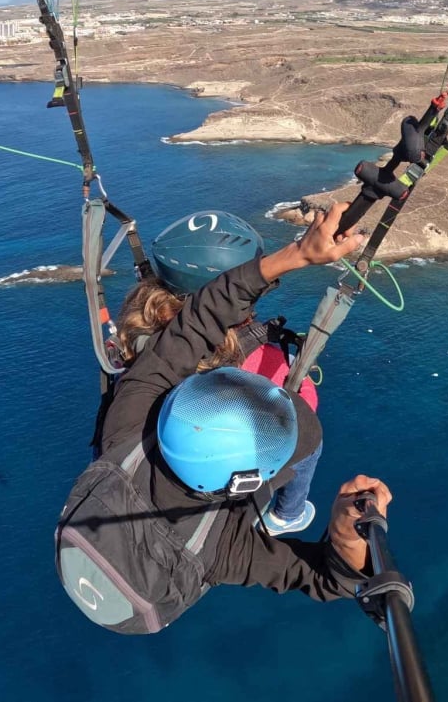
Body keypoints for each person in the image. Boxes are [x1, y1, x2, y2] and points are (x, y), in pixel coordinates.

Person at [56, 203, 393, 634]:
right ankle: (288, 513)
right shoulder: (131, 425)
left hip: (118, 562)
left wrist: (298, 254)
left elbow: (195, 322)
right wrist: (347, 535)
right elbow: (330, 581)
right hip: (127, 557)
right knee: (308, 433)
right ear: (254, 479)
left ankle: (289, 511)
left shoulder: (129, 428)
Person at [112, 210, 325, 535]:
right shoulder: (257, 356)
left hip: (151, 452)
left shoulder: (142, 335)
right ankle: (288, 513)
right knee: (311, 441)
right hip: (212, 464)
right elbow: (303, 409)